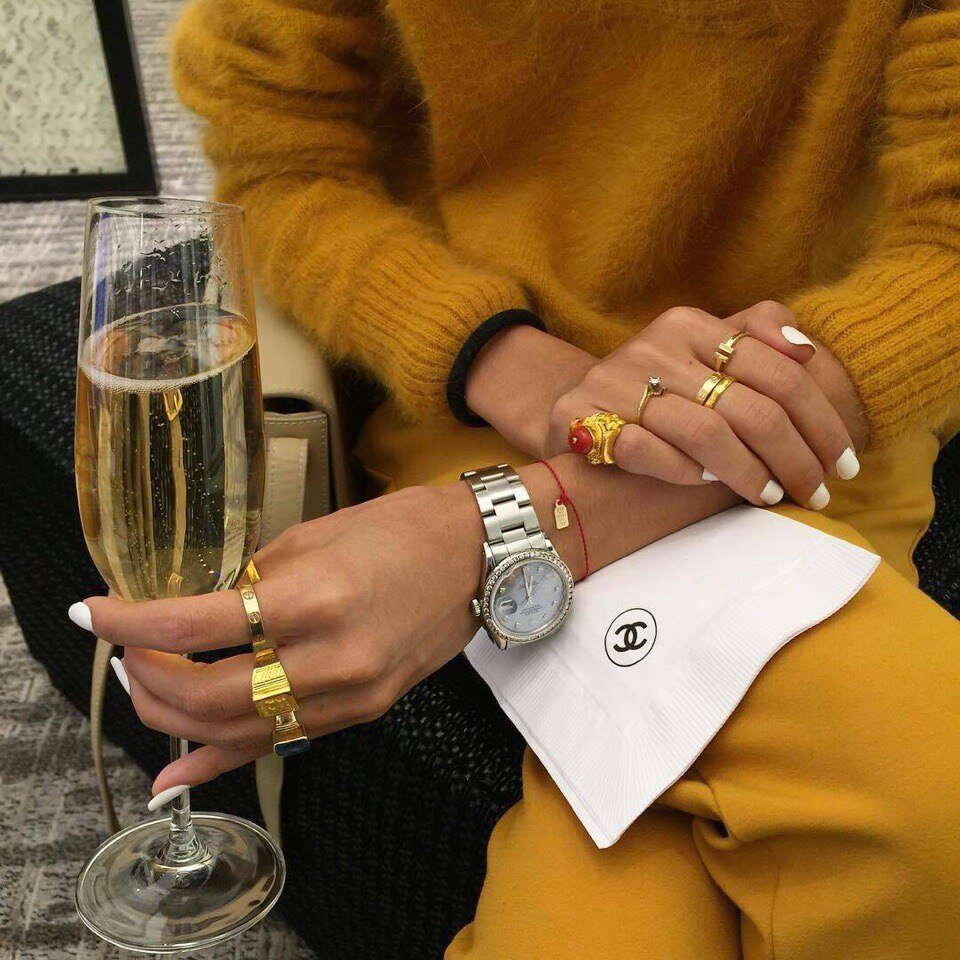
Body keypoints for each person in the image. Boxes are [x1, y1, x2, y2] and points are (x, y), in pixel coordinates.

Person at [68, 1, 960, 956]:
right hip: (489, 411)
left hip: (817, 429)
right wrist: (513, 364)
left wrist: (524, 525)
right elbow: (282, 165)